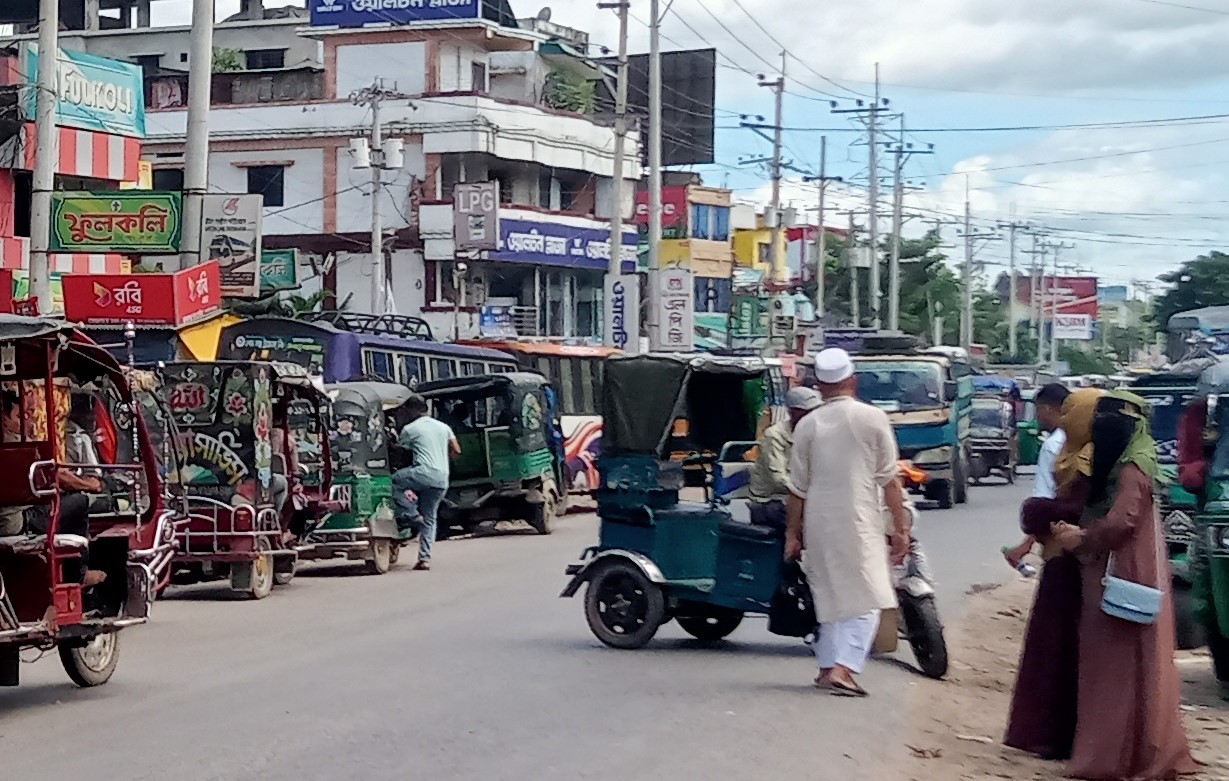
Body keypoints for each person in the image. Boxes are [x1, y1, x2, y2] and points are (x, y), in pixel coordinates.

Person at [1050, 390, 1197, 780]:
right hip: (1118, 564)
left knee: (1119, 665)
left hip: (1127, 569)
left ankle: (1116, 758)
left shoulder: (1133, 466)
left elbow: (1121, 522)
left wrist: (1081, 538)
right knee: (1112, 663)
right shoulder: (1124, 462)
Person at [786, 348, 911, 697]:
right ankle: (845, 668)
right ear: (852, 380)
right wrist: (900, 529)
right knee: (869, 595)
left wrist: (792, 534)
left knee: (828, 593)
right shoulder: (872, 418)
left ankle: (827, 666)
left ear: (821, 386)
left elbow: (797, 488)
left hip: (818, 521)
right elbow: (890, 480)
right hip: (858, 519)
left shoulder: (808, 424)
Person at [1003, 387, 1099, 761]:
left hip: (1069, 560)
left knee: (1059, 647)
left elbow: (1053, 508)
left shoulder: (1072, 453)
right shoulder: (1085, 451)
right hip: (1077, 559)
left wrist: (1034, 528)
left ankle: (1056, 735)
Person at [1003, 382, 1072, 571]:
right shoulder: (1078, 439)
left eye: (1038, 410)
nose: (1038, 417)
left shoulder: (1052, 445)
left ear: (1048, 408)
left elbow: (1045, 499)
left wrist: (1026, 545)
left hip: (1058, 537)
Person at [393, 394, 460, 571]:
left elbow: (401, 452)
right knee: (430, 517)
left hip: (422, 473)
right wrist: (444, 461)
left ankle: (411, 514)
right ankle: (424, 559)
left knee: (394, 482)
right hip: (441, 478)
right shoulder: (443, 427)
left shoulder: (410, 429)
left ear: (412, 410)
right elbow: (456, 450)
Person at [748, 387, 821, 531]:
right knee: (811, 526)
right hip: (769, 502)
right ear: (792, 411)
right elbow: (778, 479)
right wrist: (809, 492)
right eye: (806, 411)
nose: (812, 415)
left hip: (797, 498)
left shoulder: (813, 434)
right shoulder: (774, 435)